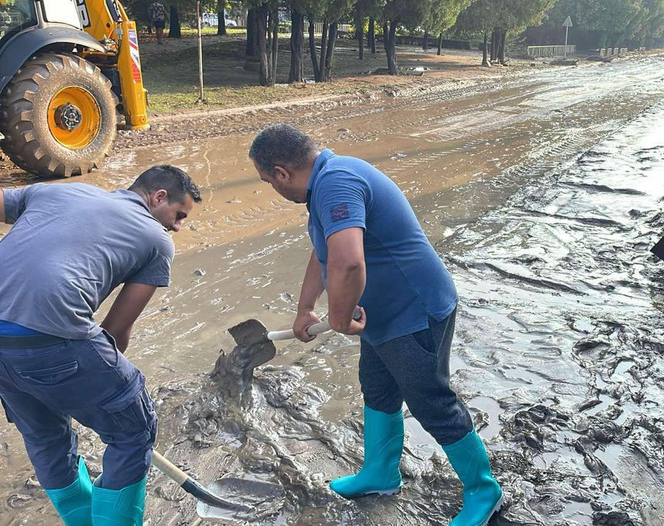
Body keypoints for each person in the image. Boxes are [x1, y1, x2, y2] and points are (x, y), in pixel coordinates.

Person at [249, 124, 502, 526]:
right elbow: (325, 253)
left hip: (414, 311)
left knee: (430, 401)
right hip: (381, 316)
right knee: (378, 388)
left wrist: (337, 315)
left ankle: (483, 490)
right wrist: (304, 307)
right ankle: (380, 474)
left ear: (281, 173)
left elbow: (349, 261)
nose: (273, 189)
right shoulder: (323, 186)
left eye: (268, 182)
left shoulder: (337, 183)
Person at [0, 166, 200, 525]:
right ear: (158, 198)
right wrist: (100, 390)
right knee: (134, 429)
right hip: (51, 336)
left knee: (46, 437)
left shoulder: (57, 192)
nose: (177, 227)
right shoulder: (156, 241)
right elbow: (114, 331)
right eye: (178, 215)